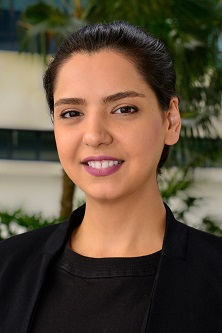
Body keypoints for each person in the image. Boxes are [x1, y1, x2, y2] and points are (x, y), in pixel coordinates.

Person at [0, 21, 222, 333]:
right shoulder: (7, 268)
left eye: (123, 109)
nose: (94, 135)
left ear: (170, 120)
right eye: (71, 113)